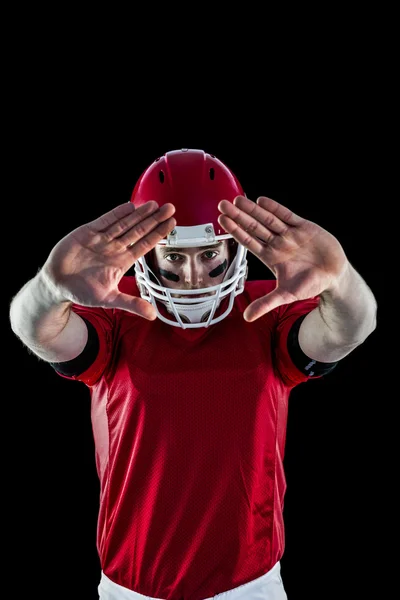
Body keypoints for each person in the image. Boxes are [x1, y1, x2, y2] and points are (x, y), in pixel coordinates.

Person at [9, 148, 377, 600]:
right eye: (174, 259)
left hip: (250, 584)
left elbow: (348, 331)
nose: (194, 277)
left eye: (209, 255)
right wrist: (48, 288)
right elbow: (41, 333)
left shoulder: (267, 309)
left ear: (234, 247)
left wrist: (340, 280)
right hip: (132, 585)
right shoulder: (119, 311)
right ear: (147, 254)